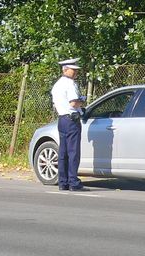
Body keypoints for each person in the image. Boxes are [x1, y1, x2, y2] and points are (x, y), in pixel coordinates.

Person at [51, 58, 88, 191]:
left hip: (62, 119)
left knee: (63, 152)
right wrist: (82, 101)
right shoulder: (70, 84)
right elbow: (73, 103)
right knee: (73, 152)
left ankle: (63, 182)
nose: (76, 72)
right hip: (72, 120)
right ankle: (73, 182)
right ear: (65, 69)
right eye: (74, 70)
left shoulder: (57, 84)